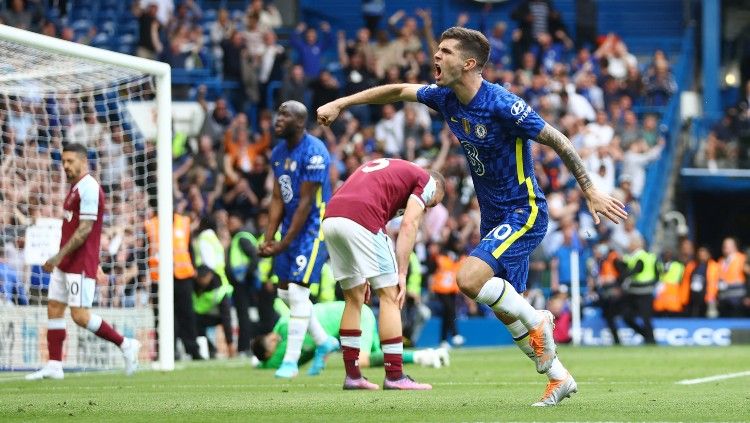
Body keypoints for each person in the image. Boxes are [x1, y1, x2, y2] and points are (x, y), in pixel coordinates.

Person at [317, 27, 627, 405]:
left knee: (468, 279)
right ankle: (557, 376)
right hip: (493, 217)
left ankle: (539, 320)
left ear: (468, 63)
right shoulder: (445, 98)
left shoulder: (502, 104)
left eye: (444, 52)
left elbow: (557, 138)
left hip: (523, 209)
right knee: (503, 310)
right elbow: (399, 90)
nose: (436, 57)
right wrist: (342, 103)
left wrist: (589, 188)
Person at [322, 158, 445, 390]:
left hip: (332, 218)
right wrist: (402, 272)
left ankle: (353, 376)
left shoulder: (395, 174)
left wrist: (368, 271)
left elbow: (381, 219)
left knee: (353, 298)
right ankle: (395, 375)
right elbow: (408, 224)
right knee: (391, 295)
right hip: (361, 218)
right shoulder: (427, 180)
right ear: (435, 187)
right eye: (433, 203)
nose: (428, 208)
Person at [26, 143, 140, 380]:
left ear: (83, 160)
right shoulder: (75, 187)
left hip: (77, 263)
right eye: (63, 161)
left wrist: (60, 257)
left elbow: (85, 230)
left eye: (70, 161)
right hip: (67, 261)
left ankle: (126, 344)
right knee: (54, 308)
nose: (65, 166)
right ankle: (55, 365)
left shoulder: (89, 188)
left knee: (80, 316)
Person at [259, 101, 339, 378]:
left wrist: (282, 244)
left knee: (296, 292)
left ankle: (290, 362)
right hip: (291, 228)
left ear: (300, 122)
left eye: (284, 115)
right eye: (277, 113)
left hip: (314, 229)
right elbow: (278, 196)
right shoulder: (278, 153)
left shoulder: (315, 152)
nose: (277, 119)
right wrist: (269, 238)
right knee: (284, 292)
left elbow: (305, 204)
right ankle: (323, 341)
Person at [250, 301, 448, 371]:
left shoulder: (287, 328)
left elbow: (280, 361)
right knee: (379, 358)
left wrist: (260, 364)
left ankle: (424, 356)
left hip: (356, 316)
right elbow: (305, 355)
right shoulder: (283, 326)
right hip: (358, 313)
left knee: (362, 361)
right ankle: (432, 355)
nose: (275, 342)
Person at [193, 265, 235, 358]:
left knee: (226, 322)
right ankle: (209, 350)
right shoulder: (193, 285)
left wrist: (230, 343)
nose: (200, 280)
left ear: (210, 275)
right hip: (198, 317)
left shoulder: (220, 291)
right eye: (199, 277)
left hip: (216, 317)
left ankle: (227, 348)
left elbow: (226, 320)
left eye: (203, 277)